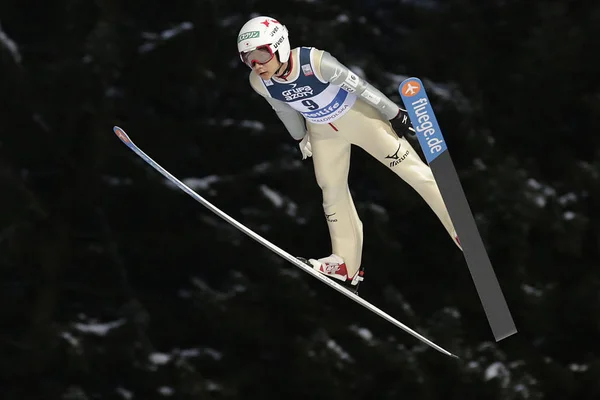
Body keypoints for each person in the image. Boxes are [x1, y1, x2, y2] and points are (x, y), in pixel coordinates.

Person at [237, 16, 461, 294]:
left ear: (280, 46)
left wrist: (394, 113)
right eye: (248, 59)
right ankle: (346, 265)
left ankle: (458, 224)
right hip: (322, 132)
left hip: (359, 119)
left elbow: (360, 87)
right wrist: (300, 137)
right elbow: (282, 109)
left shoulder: (315, 63)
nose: (256, 65)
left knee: (412, 172)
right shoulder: (260, 83)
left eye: (261, 55)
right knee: (331, 190)